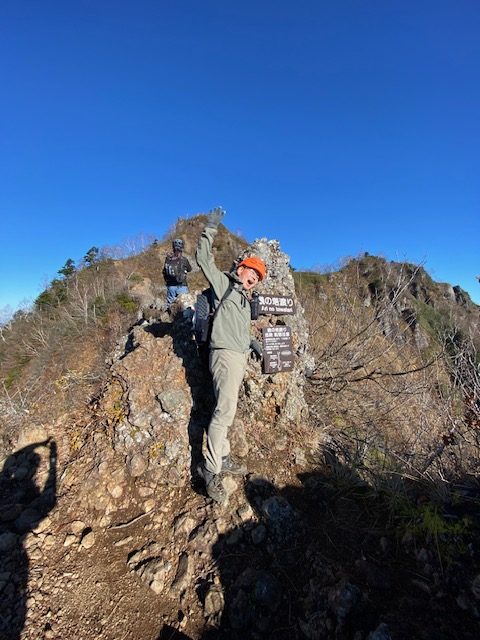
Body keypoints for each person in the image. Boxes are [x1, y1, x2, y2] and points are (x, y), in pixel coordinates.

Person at [195, 208, 266, 503]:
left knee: (226, 410)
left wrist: (253, 343)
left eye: (259, 277)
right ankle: (210, 470)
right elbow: (203, 259)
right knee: (224, 413)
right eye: (253, 272)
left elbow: (239, 330)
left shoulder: (243, 300)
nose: (255, 278)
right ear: (241, 269)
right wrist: (210, 227)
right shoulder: (223, 284)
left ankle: (222, 456)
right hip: (224, 355)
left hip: (238, 356)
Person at [163, 238, 192, 305]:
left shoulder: (168, 259)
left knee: (170, 305)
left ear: (173, 247)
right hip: (182, 286)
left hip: (171, 286)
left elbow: (164, 271)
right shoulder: (184, 259)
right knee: (184, 305)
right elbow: (189, 269)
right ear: (181, 247)